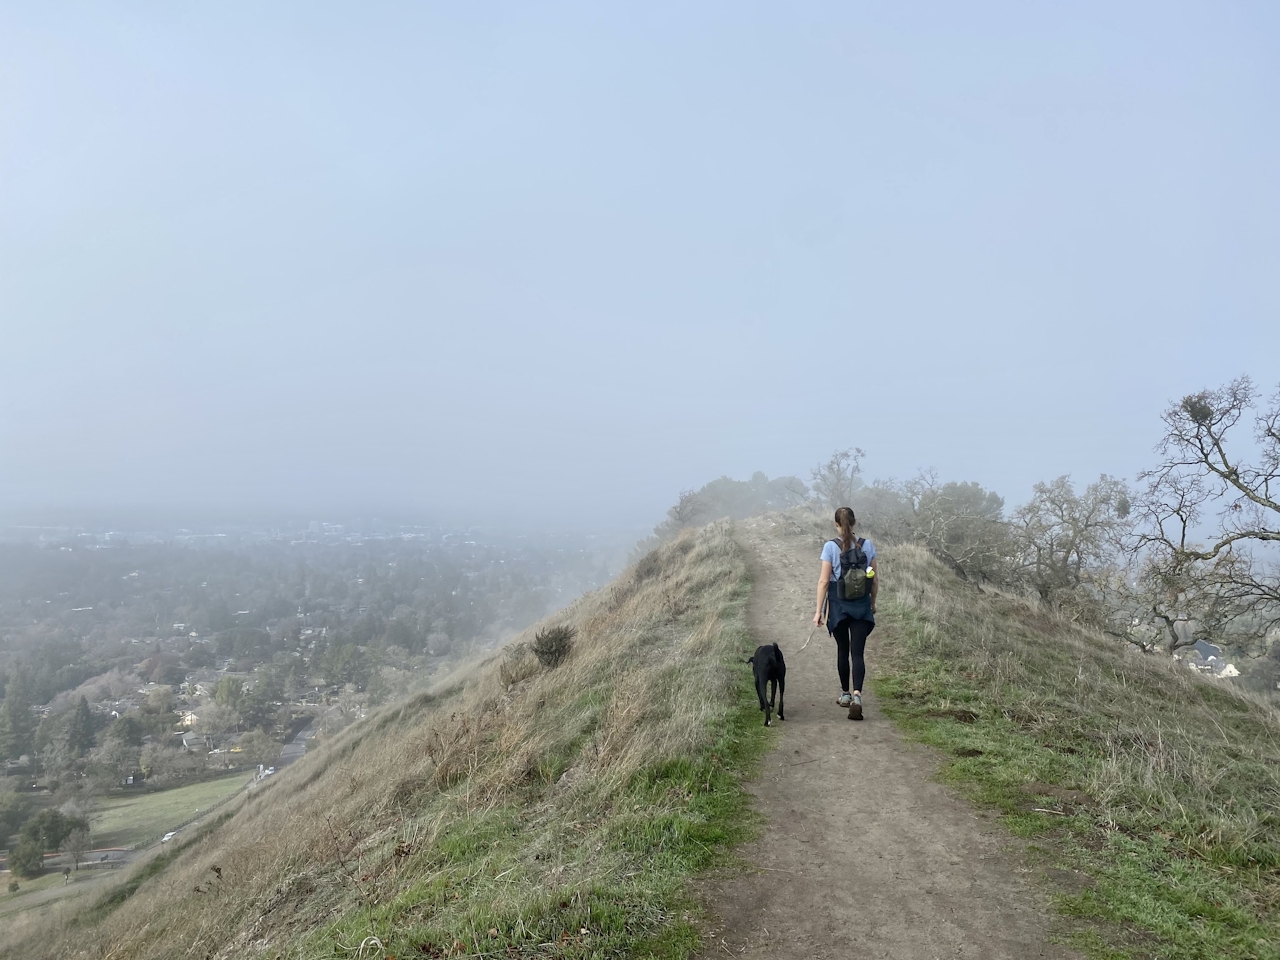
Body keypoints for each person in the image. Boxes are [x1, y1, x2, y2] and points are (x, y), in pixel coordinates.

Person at [812, 507, 879, 720]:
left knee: (843, 650)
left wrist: (818, 611)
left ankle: (845, 695)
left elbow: (824, 582)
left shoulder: (830, 547)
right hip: (861, 605)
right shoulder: (868, 546)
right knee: (857, 653)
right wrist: (872, 603)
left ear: (836, 524)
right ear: (854, 522)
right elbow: (875, 580)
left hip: (839, 606)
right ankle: (858, 695)